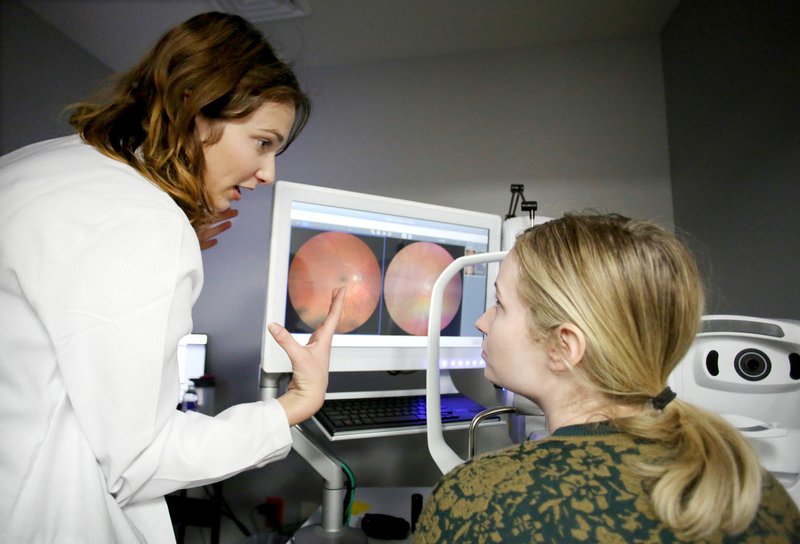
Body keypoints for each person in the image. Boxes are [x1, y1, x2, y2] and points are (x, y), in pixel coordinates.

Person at [0, 12, 345, 543]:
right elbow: (142, 459)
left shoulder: (38, 164)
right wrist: (293, 405)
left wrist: (169, 225)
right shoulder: (144, 221)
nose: (269, 173)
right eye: (262, 142)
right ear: (197, 112)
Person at [414, 213, 800, 543]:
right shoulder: (750, 485)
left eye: (500, 304)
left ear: (563, 346)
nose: (483, 322)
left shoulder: (476, 499)